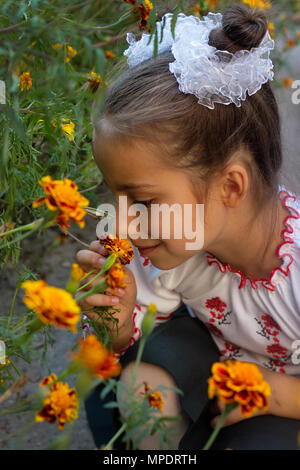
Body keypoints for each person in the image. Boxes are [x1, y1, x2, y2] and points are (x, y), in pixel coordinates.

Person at [76, 4, 300, 450]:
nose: (122, 222)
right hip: (218, 364)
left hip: (286, 398)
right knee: (127, 381)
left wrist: (272, 392)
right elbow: (126, 333)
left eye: (142, 200)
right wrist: (115, 321)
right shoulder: (173, 248)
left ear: (230, 186)